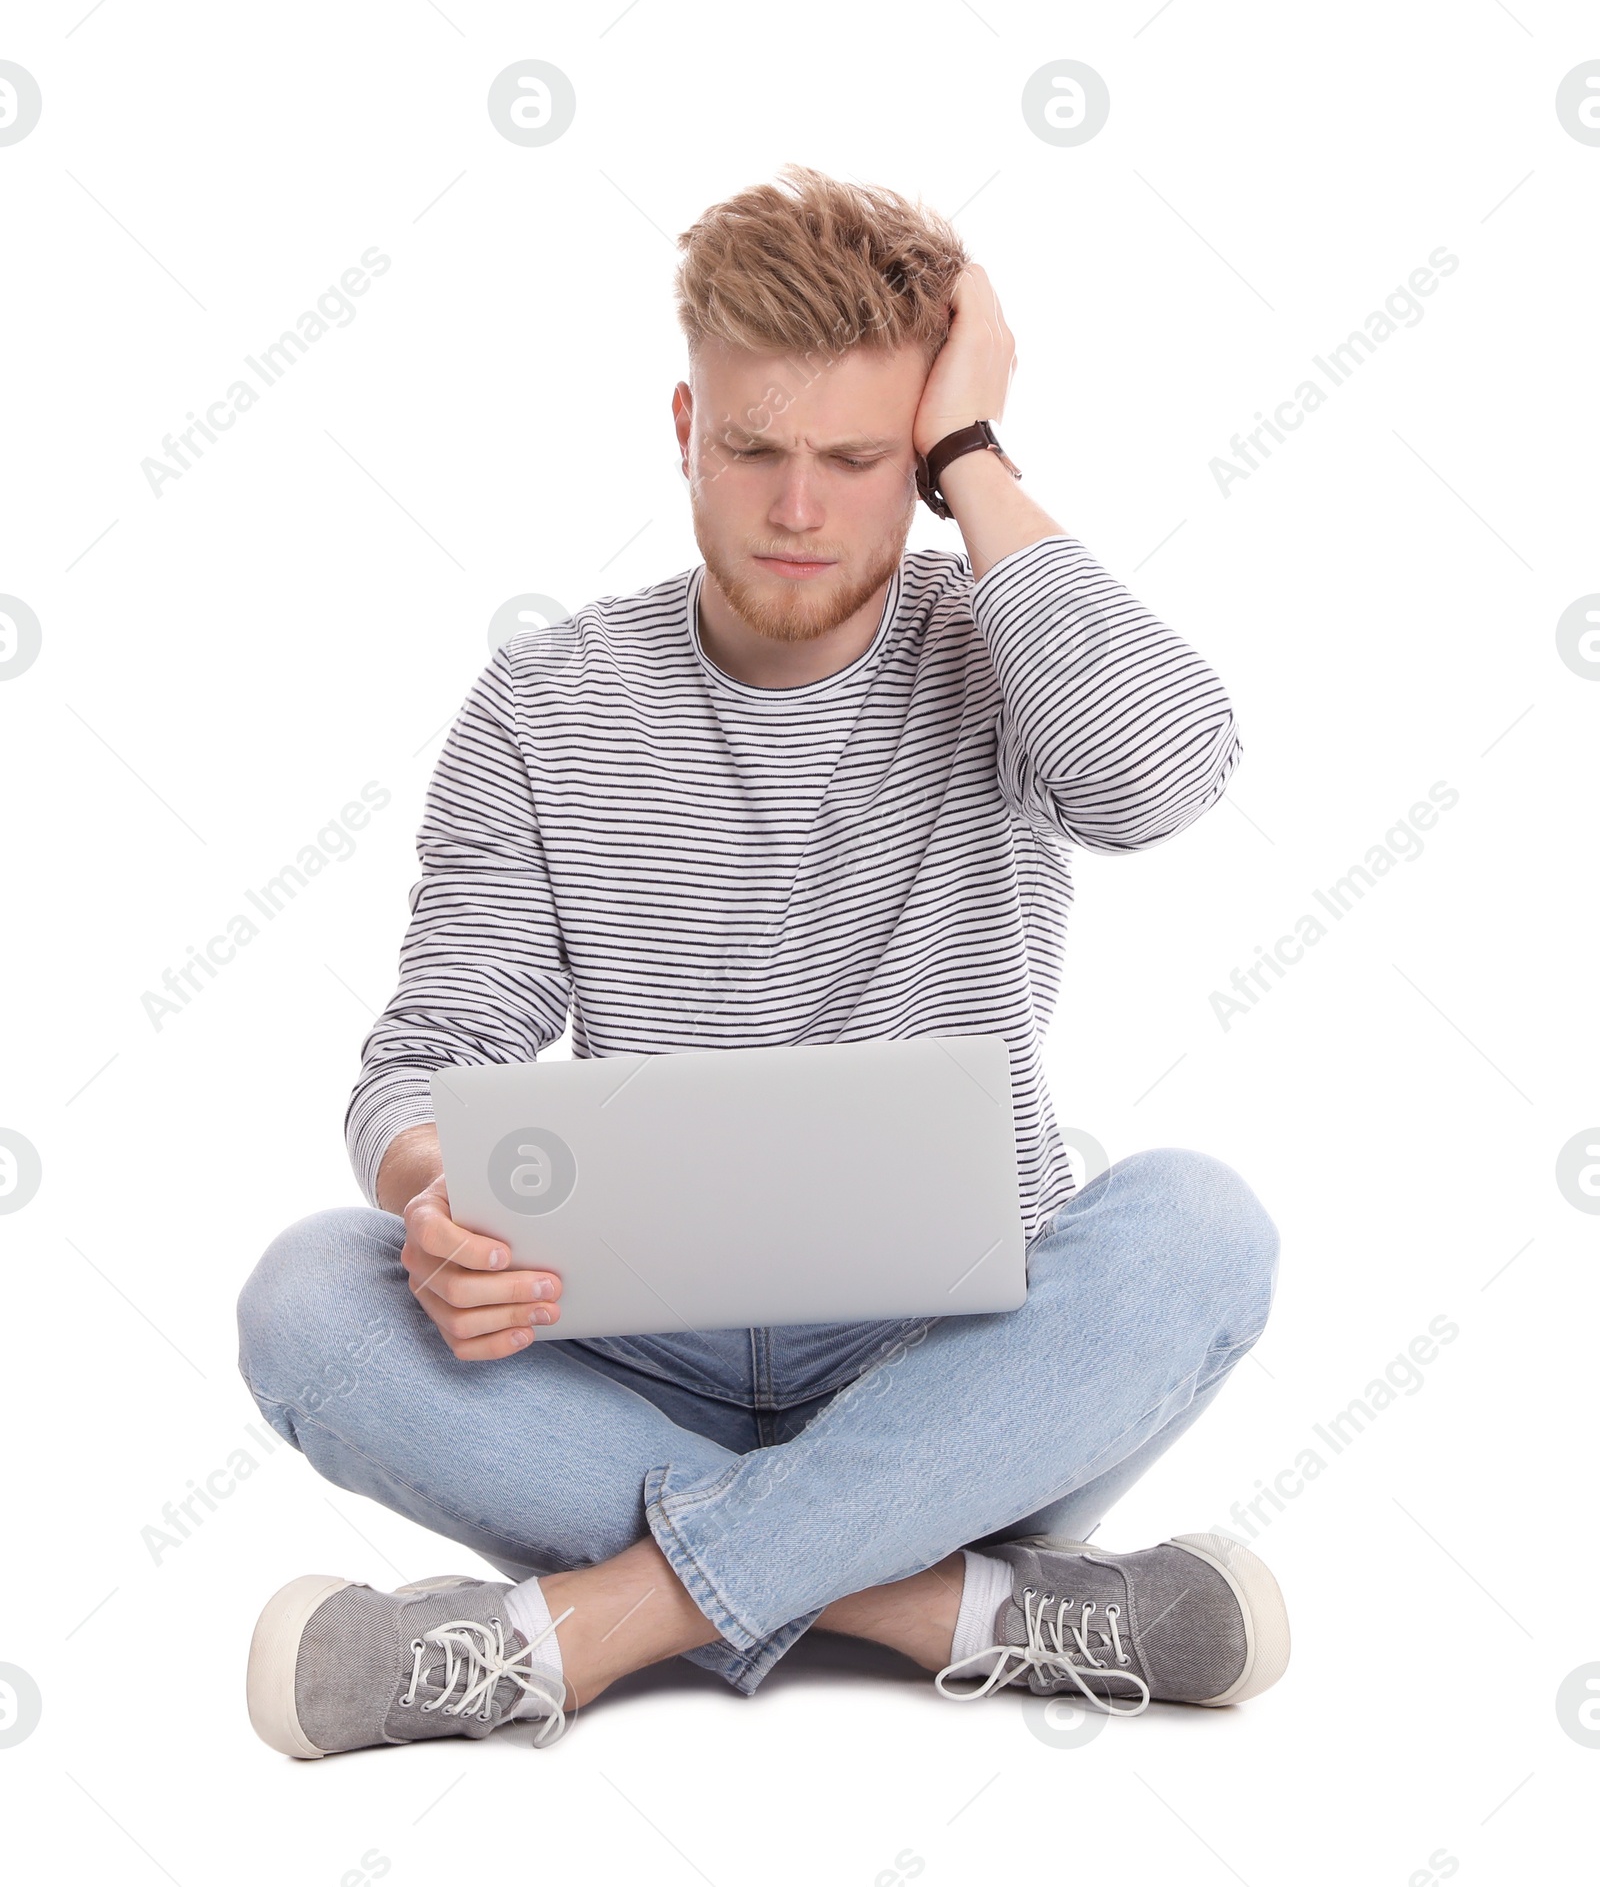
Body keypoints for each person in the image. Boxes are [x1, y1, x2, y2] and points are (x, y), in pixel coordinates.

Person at [236, 165, 1287, 1759]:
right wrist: (434, 1194)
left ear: (920, 465)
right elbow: (426, 1050)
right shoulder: (546, 705)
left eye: (861, 459)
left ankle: (583, 1633)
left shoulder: (1010, 642)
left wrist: (978, 456)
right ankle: (973, 1613)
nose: (799, 510)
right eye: (754, 451)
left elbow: (1164, 778)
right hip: (617, 1361)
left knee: (1202, 1231)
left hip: (948, 1369)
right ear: (684, 432)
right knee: (311, 1299)